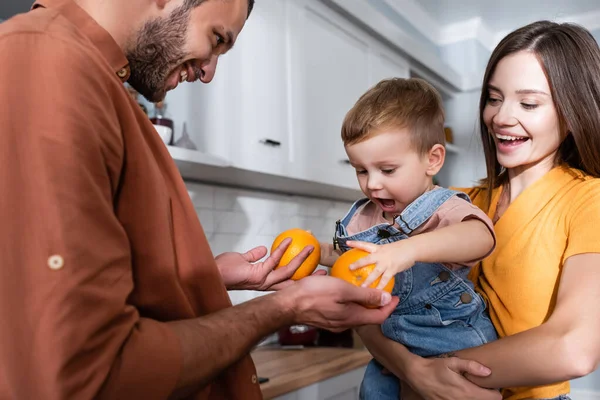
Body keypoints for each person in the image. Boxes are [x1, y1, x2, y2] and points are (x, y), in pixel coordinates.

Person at [0, 0, 399, 399]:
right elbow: (86, 372)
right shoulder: (45, 61)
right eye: (217, 39)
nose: (208, 73)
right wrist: (285, 308)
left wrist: (203, 278)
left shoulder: (100, 84)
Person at [355, 20, 600, 400]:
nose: (500, 117)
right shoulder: (452, 203)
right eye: (494, 97)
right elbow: (368, 307)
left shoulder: (589, 200)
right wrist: (416, 371)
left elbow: (574, 346)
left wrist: (437, 373)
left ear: (572, 113)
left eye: (529, 103)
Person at [316, 78, 498, 399]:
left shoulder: (442, 206)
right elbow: (345, 256)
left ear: (433, 160)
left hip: (455, 342)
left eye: (387, 170)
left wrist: (409, 249)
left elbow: (480, 236)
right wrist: (313, 252)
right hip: (393, 352)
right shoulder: (363, 216)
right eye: (361, 170)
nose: (372, 184)